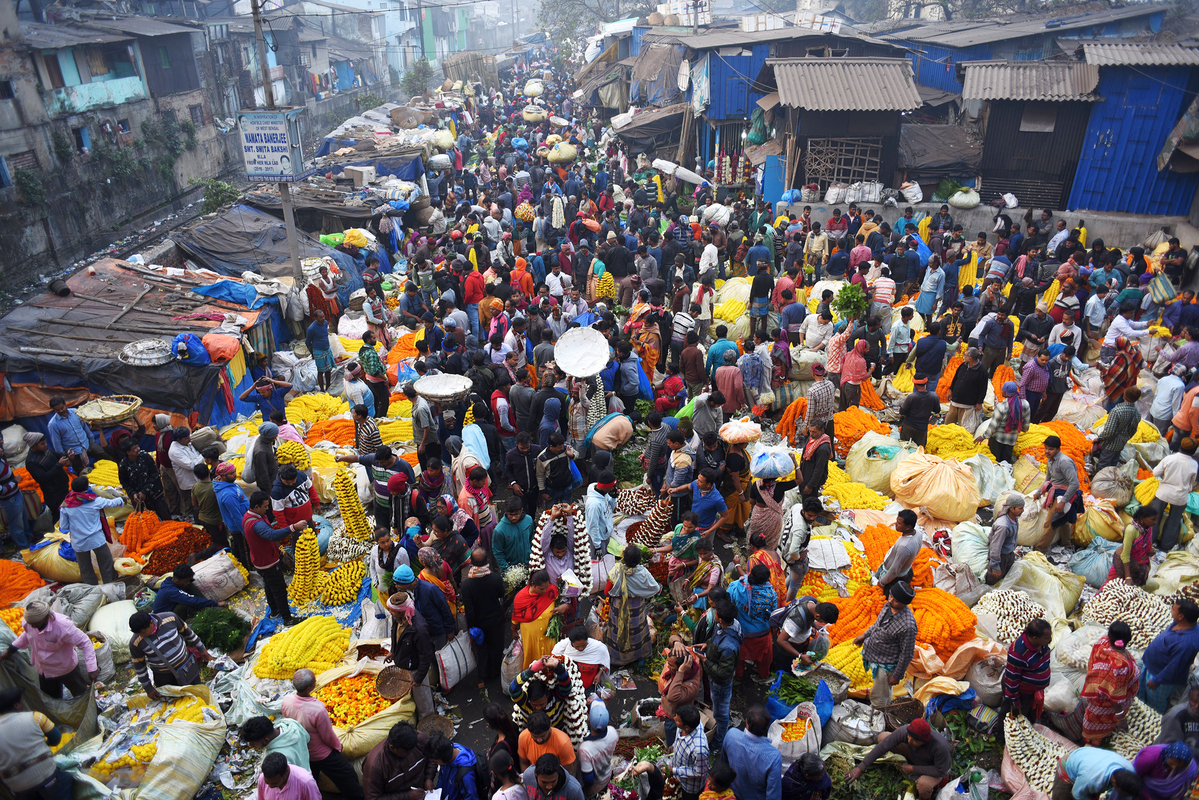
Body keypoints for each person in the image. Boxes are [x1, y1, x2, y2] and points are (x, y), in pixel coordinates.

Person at [283, 668, 364, 800]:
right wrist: (338, 747)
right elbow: (327, 736)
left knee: (311, 777)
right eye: (315, 680)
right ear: (310, 687)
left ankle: (313, 795)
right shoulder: (317, 709)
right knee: (348, 775)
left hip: (303, 750)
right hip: (322, 753)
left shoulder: (286, 701)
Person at [0, 601, 97, 698]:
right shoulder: (29, 622)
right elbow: (26, 636)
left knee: (82, 695)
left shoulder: (62, 626)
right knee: (51, 699)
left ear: (46, 617)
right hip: (44, 670)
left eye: (35, 624)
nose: (32, 626)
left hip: (66, 669)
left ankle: (93, 711)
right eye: (30, 624)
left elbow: (85, 642)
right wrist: (10, 651)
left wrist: (92, 668)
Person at [0, 687, 76, 800]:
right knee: (68, 778)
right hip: (47, 777)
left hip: (19, 789)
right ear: (16, 705)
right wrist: (44, 744)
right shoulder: (34, 717)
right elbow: (56, 738)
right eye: (22, 701)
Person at [847, 719, 950, 800]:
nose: (909, 740)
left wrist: (913, 769)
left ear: (923, 741)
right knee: (883, 737)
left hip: (933, 768)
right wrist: (861, 767)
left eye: (914, 740)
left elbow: (940, 770)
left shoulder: (940, 747)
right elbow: (883, 746)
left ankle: (924, 798)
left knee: (923, 785)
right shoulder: (906, 731)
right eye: (909, 736)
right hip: (913, 755)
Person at [243, 491, 305, 623]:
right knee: (279, 589)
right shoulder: (256, 524)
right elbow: (272, 535)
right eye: (265, 506)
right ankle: (287, 619)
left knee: (269, 585)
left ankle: (275, 610)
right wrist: (293, 527)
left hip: (261, 559)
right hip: (267, 562)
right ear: (256, 507)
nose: (267, 509)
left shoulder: (250, 516)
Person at [855, 580, 918, 708]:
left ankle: (878, 716)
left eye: (895, 600)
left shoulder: (908, 626)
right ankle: (885, 707)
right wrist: (864, 635)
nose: (890, 601)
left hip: (887, 666)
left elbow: (907, 654)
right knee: (883, 692)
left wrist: (896, 675)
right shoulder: (888, 606)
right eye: (890, 596)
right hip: (877, 657)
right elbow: (877, 625)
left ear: (904, 603)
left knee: (879, 697)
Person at [1080, 620, 1141, 746]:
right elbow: (1115, 696)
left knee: (1092, 718)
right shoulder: (1119, 666)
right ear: (1128, 639)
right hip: (1105, 704)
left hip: (1096, 694)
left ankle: (1094, 740)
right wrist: (1120, 717)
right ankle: (1095, 743)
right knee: (1097, 724)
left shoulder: (1103, 643)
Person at [127, 610, 209, 698]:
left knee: (198, 694)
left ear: (151, 622)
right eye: (138, 634)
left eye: (143, 633)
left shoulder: (170, 618)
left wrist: (201, 649)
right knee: (176, 703)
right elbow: (140, 667)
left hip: (187, 668)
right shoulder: (135, 642)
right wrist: (148, 688)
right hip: (165, 677)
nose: (141, 636)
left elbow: (188, 633)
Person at [59, 475, 123, 585]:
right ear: (87, 487)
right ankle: (110, 586)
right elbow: (112, 503)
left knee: (85, 569)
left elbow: (64, 527)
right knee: (106, 564)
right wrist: (121, 499)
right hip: (96, 539)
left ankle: (92, 590)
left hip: (79, 542)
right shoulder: (94, 501)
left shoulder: (66, 505)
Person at [1139, 599, 1199, 713]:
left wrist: (1157, 681)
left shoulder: (1186, 644)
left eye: (1173, 609)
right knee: (1144, 694)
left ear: (1181, 616)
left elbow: (1174, 667)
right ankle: (1143, 709)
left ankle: (1156, 721)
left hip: (1163, 679)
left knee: (1156, 703)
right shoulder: (1182, 624)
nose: (1171, 610)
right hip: (1153, 667)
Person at [606, 545, 662, 666]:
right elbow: (656, 589)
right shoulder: (643, 572)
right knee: (636, 630)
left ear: (624, 558)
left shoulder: (616, 571)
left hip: (619, 606)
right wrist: (639, 591)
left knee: (618, 629)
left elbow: (606, 592)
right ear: (639, 560)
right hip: (636, 607)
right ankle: (637, 655)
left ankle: (618, 658)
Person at [697, 600, 742, 749]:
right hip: (714, 676)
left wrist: (705, 661)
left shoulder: (728, 646)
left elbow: (724, 673)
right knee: (718, 706)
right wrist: (707, 645)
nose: (713, 613)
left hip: (720, 683)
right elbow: (716, 637)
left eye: (715, 612)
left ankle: (719, 742)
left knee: (721, 714)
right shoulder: (728, 625)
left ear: (720, 618)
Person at [386, 590, 435, 719]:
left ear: (401, 611)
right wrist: (393, 651)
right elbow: (394, 632)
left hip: (415, 669)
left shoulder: (418, 629)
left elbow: (426, 655)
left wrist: (418, 678)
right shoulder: (397, 617)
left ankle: (427, 722)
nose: (390, 612)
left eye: (392, 611)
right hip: (404, 664)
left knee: (423, 700)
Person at [461, 548, 506, 685]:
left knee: (481, 648)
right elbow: (501, 594)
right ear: (487, 561)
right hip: (496, 620)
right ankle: (495, 672)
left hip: (479, 623)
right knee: (496, 646)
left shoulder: (466, 584)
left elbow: (469, 609)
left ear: (471, 563)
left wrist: (471, 626)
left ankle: (482, 674)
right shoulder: (496, 578)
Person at [726, 564, 776, 681]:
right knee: (763, 658)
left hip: (742, 631)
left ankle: (739, 675)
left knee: (740, 656)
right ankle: (763, 676)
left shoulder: (739, 587)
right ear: (765, 580)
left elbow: (728, 597)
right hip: (761, 632)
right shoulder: (770, 594)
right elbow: (772, 613)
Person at [363, 722, 438, 800]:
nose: (411, 752)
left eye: (413, 749)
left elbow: (432, 757)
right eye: (407, 751)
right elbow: (373, 798)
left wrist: (429, 778)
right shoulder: (375, 766)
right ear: (392, 748)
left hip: (422, 793)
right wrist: (407, 796)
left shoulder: (420, 739)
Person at [722, 705, 782, 800]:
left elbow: (723, 765)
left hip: (732, 794)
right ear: (767, 727)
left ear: (747, 724)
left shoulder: (731, 735)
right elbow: (773, 794)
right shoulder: (773, 756)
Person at [1032, 435, 1082, 548]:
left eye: (1051, 449)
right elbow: (1048, 479)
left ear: (1058, 449)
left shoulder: (1064, 462)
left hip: (1064, 495)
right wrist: (1039, 492)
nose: (1047, 451)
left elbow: (1074, 484)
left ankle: (1040, 549)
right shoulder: (1050, 460)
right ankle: (1067, 544)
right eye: (1046, 448)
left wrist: (1063, 501)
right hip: (1055, 492)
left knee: (1050, 523)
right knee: (1062, 520)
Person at [512, 570, 569, 669]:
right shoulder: (521, 597)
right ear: (532, 584)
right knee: (531, 658)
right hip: (530, 636)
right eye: (541, 589)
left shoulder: (551, 590)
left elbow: (565, 603)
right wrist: (513, 630)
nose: (545, 591)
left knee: (550, 658)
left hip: (549, 636)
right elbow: (516, 617)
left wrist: (565, 606)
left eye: (546, 588)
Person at [1001, 617, 1052, 722]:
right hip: (1021, 693)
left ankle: (1029, 731)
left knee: (1028, 716)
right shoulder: (1018, 653)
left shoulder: (1041, 644)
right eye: (1047, 638)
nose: (1050, 639)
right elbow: (1011, 679)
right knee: (1013, 718)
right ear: (1034, 638)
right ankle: (1003, 736)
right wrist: (1015, 701)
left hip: (1032, 691)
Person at [1152, 438, 1199, 552]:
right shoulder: (1194, 464)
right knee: (1174, 522)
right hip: (1180, 497)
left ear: (1181, 447)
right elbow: (1192, 484)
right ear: (1193, 451)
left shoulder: (1170, 458)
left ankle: (1151, 541)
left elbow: (1155, 473)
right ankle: (1165, 547)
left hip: (1163, 493)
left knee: (1154, 518)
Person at [773, 596, 838, 672]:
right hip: (786, 650)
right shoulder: (796, 620)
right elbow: (781, 640)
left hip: (798, 643)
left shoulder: (812, 602)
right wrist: (800, 656)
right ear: (817, 616)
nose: (824, 623)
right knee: (785, 669)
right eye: (823, 621)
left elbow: (808, 617)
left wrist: (813, 624)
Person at [1051, 747, 1139, 800]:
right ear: (1114, 782)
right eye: (1122, 792)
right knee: (1061, 797)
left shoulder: (1130, 770)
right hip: (1069, 765)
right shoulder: (1093, 780)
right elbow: (1076, 794)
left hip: (1089, 758)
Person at [510, 657, 573, 729]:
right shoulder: (524, 702)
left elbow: (566, 687)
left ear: (547, 695)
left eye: (542, 704)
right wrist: (531, 671)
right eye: (534, 704)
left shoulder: (555, 699)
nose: (538, 708)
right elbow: (513, 690)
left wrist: (558, 667)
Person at [47, 396, 101, 473]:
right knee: (83, 473)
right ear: (54, 410)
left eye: (62, 408)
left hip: (87, 444)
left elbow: (84, 426)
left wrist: (91, 439)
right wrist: (65, 457)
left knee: (105, 456)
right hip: (74, 453)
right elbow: (57, 444)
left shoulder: (75, 412)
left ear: (65, 405)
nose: (61, 411)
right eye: (57, 410)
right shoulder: (53, 424)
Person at [240, 715, 312, 773]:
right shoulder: (290, 724)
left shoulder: (276, 757)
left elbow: (285, 780)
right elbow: (307, 738)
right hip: (306, 766)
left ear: (266, 740)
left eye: (253, 743)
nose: (250, 745)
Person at [1108, 505, 1159, 587]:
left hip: (1137, 565)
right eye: (1153, 519)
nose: (1155, 522)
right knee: (1115, 587)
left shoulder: (1148, 528)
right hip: (1124, 563)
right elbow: (1125, 554)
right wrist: (1128, 577)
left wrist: (1149, 552)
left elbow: (1147, 545)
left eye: (1156, 519)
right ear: (1142, 519)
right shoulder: (1131, 530)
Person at [876, 510, 921, 597]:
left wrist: (882, 582)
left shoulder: (904, 547)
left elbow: (894, 571)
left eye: (899, 523)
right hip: (906, 571)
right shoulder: (918, 534)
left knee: (887, 598)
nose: (896, 524)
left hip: (894, 579)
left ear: (908, 527)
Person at [153, 563, 224, 618]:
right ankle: (207, 611)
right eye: (186, 581)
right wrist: (217, 604)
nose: (188, 583)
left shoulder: (169, 580)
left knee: (190, 585)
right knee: (184, 605)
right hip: (164, 618)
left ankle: (205, 605)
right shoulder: (171, 591)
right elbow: (191, 600)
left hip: (171, 606)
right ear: (177, 581)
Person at [577, 702, 618, 796]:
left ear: (589, 722)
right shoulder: (613, 732)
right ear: (608, 722)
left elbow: (588, 780)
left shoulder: (584, 749)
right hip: (607, 775)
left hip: (596, 786)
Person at [551, 626, 611, 691]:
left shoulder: (598, 647)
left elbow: (604, 662)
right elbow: (553, 662)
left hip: (590, 688)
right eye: (577, 646)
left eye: (584, 645)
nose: (581, 649)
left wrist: (599, 673)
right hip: (568, 689)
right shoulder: (561, 647)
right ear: (571, 642)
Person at [988, 382, 1030, 464]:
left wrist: (983, 436)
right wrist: (1020, 430)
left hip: (998, 440)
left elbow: (993, 427)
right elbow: (1026, 425)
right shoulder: (1025, 404)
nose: (1001, 391)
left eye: (1003, 390)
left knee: (994, 461)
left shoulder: (1001, 407)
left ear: (1006, 393)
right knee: (1006, 462)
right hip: (1011, 440)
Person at [428, 733, 480, 800]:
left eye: (435, 762)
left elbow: (471, 797)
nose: (434, 764)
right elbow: (441, 776)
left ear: (444, 757)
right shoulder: (447, 753)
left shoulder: (465, 776)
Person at [988, 493, 1023, 584]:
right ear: (1012, 508)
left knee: (1005, 581)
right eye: (1020, 508)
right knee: (994, 582)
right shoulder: (1003, 526)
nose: (1022, 510)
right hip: (1001, 558)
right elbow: (995, 548)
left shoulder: (1013, 518)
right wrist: (995, 567)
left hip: (1008, 555)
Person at [898, 375, 939, 447]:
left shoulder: (912, 397)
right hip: (922, 429)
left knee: (905, 447)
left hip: (909, 427)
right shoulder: (933, 396)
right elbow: (937, 410)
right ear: (925, 384)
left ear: (915, 384)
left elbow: (902, 411)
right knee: (919, 450)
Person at [584, 471, 617, 558]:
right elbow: (593, 526)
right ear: (605, 486)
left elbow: (611, 509)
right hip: (598, 538)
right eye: (612, 487)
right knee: (598, 564)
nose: (613, 488)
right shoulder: (594, 504)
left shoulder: (604, 493)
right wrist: (597, 546)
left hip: (605, 534)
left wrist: (614, 498)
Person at [1159, 685, 1199, 753]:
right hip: (1178, 758)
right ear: (1189, 698)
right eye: (1194, 701)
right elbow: (1169, 747)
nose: (1196, 706)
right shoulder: (1175, 716)